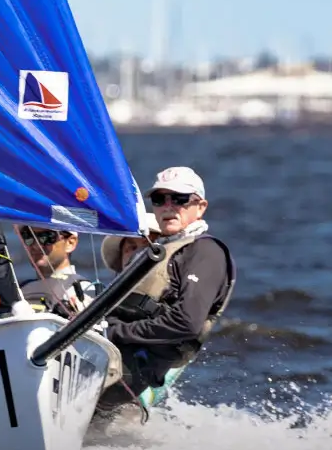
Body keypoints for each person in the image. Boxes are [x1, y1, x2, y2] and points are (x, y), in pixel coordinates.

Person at [93, 166, 235, 423]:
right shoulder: (155, 251)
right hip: (109, 354)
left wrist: (114, 333)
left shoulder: (205, 251)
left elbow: (186, 322)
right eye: (159, 199)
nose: (168, 206)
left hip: (132, 366)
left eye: (179, 199)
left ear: (200, 206)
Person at [16, 226, 97, 317]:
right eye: (28, 237)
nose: (36, 245)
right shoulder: (18, 291)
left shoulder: (85, 290)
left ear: (70, 243)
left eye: (47, 237)